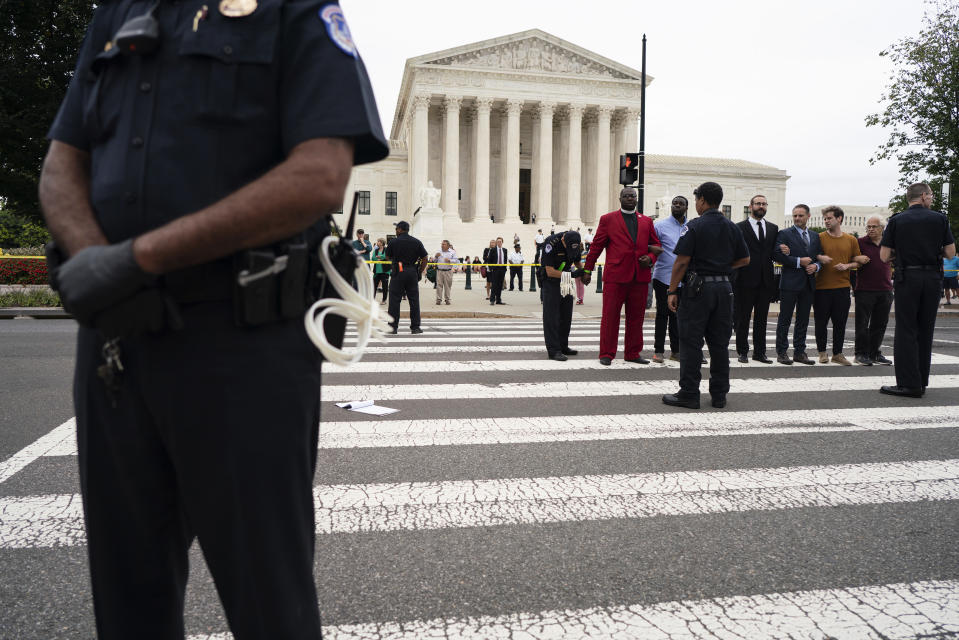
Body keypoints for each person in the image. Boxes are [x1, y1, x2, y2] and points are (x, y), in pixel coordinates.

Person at [38, 2, 388, 638]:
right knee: (126, 602)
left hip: (240, 344)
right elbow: (64, 160)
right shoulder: (117, 12)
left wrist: (136, 260)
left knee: (268, 604)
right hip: (117, 341)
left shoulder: (294, 10)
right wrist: (93, 263)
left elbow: (319, 175)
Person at [662, 182, 749, 410]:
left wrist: (672, 290)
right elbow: (745, 259)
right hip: (724, 289)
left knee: (691, 342)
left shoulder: (695, 226)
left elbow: (681, 261)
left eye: (697, 201)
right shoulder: (732, 227)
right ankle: (719, 394)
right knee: (719, 344)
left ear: (701, 200)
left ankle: (689, 393)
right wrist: (723, 267)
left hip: (698, 289)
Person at [879, 183, 956, 397]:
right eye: (930, 195)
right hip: (932, 278)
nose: (931, 198)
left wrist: (902, 254)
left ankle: (908, 383)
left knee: (906, 330)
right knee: (925, 329)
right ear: (923, 196)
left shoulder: (896, 220)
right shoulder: (939, 219)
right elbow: (950, 252)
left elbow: (884, 256)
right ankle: (921, 381)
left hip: (907, 277)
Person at [582, 187, 662, 365]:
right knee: (610, 317)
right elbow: (596, 246)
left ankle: (633, 353)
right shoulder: (608, 219)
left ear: (636, 199)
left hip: (639, 277)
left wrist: (649, 258)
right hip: (615, 277)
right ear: (620, 199)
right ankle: (607, 353)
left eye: (632, 196)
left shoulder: (647, 221)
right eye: (626, 196)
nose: (629, 198)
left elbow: (656, 245)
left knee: (636, 318)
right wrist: (587, 270)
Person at [814, 206, 868, 365]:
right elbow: (811, 255)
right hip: (821, 288)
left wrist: (847, 266)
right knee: (820, 322)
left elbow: (857, 261)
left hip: (842, 288)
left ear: (839, 219)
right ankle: (822, 352)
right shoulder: (819, 237)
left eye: (829, 218)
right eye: (825, 218)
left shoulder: (851, 240)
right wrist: (819, 257)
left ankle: (837, 353)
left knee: (840, 323)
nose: (826, 221)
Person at [774, 205, 822, 365]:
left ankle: (799, 352)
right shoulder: (784, 234)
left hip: (808, 284)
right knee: (784, 319)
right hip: (789, 284)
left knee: (803, 320)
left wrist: (816, 266)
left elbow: (817, 257)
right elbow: (777, 255)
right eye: (795, 215)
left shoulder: (815, 236)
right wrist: (798, 261)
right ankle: (781, 352)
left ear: (808, 216)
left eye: (800, 215)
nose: (797, 218)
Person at [733, 195, 779, 364]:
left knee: (762, 319)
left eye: (764, 204)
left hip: (766, 281)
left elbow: (774, 253)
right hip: (744, 280)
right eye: (758, 203)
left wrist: (784, 250)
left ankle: (760, 352)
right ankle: (742, 352)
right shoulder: (739, 227)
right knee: (742, 318)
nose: (761, 206)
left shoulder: (773, 229)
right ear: (750, 206)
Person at [651, 196, 688, 363]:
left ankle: (676, 351)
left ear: (687, 207)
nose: (677, 206)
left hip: (683, 279)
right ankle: (658, 350)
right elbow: (651, 245)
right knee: (662, 314)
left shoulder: (691, 227)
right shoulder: (659, 226)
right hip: (663, 277)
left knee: (677, 316)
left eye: (681, 204)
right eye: (675, 203)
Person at [853, 216, 894, 365]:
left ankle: (875, 353)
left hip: (885, 289)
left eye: (874, 226)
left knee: (880, 324)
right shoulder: (860, 242)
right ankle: (860, 354)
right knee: (862, 324)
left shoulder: (889, 243)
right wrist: (857, 257)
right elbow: (851, 257)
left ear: (882, 228)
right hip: (865, 289)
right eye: (868, 226)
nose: (870, 229)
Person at [539, 230, 584, 360]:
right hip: (551, 281)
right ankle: (553, 350)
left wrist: (583, 272)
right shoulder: (550, 243)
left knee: (566, 314)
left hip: (565, 280)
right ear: (563, 240)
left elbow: (577, 262)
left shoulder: (574, 242)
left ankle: (563, 345)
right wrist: (572, 275)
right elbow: (550, 271)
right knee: (551, 316)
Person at [386, 221, 427, 333]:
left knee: (394, 301)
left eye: (396, 229)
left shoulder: (393, 242)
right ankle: (415, 327)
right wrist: (420, 271)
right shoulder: (416, 241)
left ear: (400, 229)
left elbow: (387, 256)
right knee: (414, 301)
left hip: (398, 271)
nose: (395, 231)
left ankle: (393, 327)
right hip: (412, 271)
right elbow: (425, 258)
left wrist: (394, 261)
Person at [433, 239, 457, 305]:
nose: (442, 245)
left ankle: (447, 299)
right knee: (439, 286)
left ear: (448, 246)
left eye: (444, 244)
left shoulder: (452, 252)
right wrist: (436, 257)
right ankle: (438, 299)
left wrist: (450, 260)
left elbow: (456, 261)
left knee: (448, 286)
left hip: (448, 271)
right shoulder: (438, 251)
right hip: (439, 271)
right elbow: (434, 261)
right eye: (442, 244)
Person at [488, 236, 508, 305]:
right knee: (494, 285)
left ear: (502, 242)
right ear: (496, 242)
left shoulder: (505, 250)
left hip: (502, 269)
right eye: (498, 241)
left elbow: (505, 260)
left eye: (500, 241)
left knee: (500, 285)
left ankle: (498, 300)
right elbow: (489, 260)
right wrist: (491, 269)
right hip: (495, 269)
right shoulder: (493, 250)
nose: (499, 243)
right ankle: (492, 300)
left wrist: (505, 269)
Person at [372, 238, 390, 305]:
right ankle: (372, 300)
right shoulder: (376, 250)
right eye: (377, 241)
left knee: (385, 287)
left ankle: (384, 300)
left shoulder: (386, 249)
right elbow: (373, 258)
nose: (377, 242)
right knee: (374, 286)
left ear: (382, 243)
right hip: (377, 271)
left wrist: (380, 257)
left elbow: (387, 257)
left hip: (385, 271)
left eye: (379, 241)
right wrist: (380, 257)